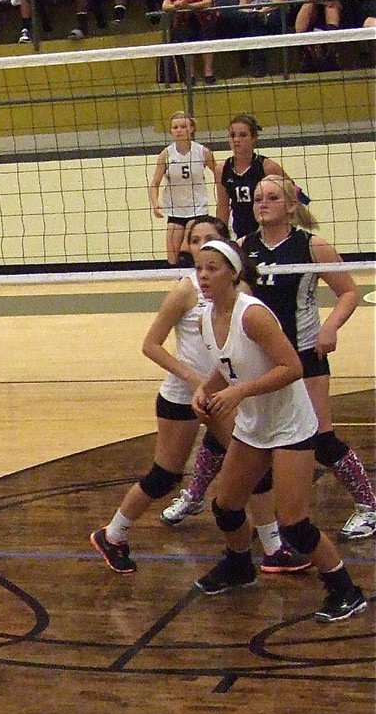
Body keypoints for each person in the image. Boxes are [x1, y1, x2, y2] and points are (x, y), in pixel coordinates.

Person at [91, 217, 307, 575]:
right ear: (189, 248)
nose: (203, 246)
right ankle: (113, 534)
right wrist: (196, 381)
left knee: (254, 466)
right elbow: (150, 345)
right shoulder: (184, 290)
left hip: (219, 396)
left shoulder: (241, 294)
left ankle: (272, 548)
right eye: (196, 241)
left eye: (211, 239)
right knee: (165, 475)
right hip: (182, 396)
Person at [189, 240, 366, 622]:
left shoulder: (252, 315)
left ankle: (346, 590)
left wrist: (239, 392)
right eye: (199, 268)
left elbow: (292, 367)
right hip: (255, 424)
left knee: (294, 522)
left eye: (213, 268)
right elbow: (226, 363)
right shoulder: (206, 316)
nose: (203, 276)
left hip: (290, 425)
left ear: (233, 273)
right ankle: (239, 567)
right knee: (226, 507)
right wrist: (207, 389)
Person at [241, 176, 376, 540]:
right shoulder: (243, 248)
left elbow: (348, 292)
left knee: (320, 438)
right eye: (257, 198)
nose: (262, 203)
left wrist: (329, 327)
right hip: (261, 359)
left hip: (305, 355)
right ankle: (260, 520)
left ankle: (369, 505)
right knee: (255, 440)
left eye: (271, 197)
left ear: (290, 205)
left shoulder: (311, 246)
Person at [148, 111, 216, 267]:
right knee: (172, 257)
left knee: (189, 248)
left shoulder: (202, 152)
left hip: (197, 209)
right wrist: (155, 204)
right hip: (175, 211)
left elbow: (219, 174)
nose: (179, 130)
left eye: (183, 127)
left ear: (191, 129)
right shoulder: (166, 155)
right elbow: (154, 183)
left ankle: (197, 279)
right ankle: (179, 281)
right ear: (171, 131)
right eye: (175, 127)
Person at [215, 113, 293, 239]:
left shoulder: (267, 167)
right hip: (239, 232)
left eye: (243, 135)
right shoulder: (222, 169)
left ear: (253, 138)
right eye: (232, 135)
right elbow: (223, 207)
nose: (236, 140)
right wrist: (220, 237)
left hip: (267, 230)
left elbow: (292, 191)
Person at [224, 0, 289, 76]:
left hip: (273, 13)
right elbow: (242, 5)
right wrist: (253, 11)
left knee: (256, 21)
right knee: (230, 16)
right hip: (252, 13)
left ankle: (258, 65)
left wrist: (264, 9)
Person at [161, 0, 218, 83]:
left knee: (207, 35)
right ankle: (190, 74)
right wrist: (176, 5)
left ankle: (208, 72)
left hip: (205, 19)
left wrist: (188, 6)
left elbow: (207, 2)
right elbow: (165, 5)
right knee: (184, 34)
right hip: (184, 20)